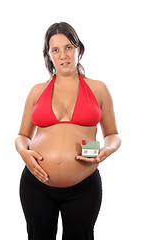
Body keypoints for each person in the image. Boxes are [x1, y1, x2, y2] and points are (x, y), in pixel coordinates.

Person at [15, 22, 121, 240]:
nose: (63, 55)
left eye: (68, 47)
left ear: (78, 49)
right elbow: (22, 136)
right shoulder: (37, 91)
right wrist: (23, 153)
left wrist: (107, 149)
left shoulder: (98, 88)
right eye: (55, 50)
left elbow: (113, 134)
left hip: (84, 186)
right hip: (36, 185)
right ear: (49, 55)